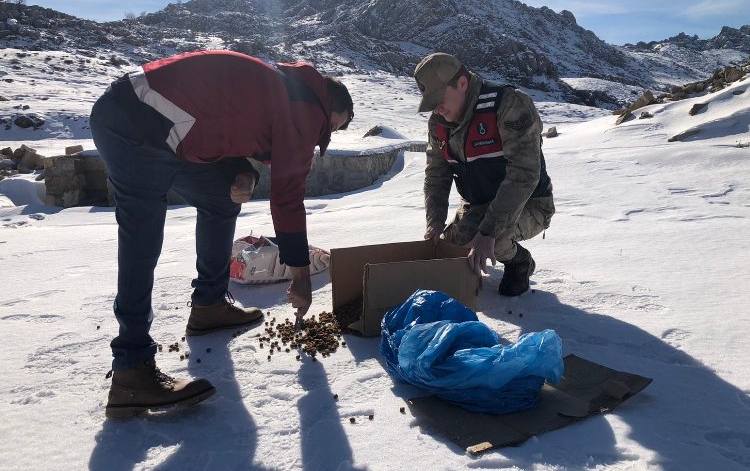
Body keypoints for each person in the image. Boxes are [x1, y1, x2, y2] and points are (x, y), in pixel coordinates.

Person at [90, 50, 353, 417]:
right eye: (332, 130)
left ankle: (209, 306)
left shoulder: (287, 90)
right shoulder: (309, 110)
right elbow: (288, 197)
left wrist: (244, 173)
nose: (321, 139)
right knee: (142, 234)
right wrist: (301, 274)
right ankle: (131, 369)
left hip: (152, 121)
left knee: (221, 197)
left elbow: (217, 121)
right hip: (137, 121)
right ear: (332, 110)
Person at [414, 53, 553, 296]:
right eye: (430, 102)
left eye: (439, 98)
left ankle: (519, 261)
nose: (436, 109)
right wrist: (434, 222)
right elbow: (437, 175)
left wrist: (487, 233)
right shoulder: (438, 123)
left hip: (528, 203)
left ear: (462, 84)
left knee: (495, 241)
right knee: (449, 248)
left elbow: (524, 175)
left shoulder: (509, 105)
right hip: (477, 204)